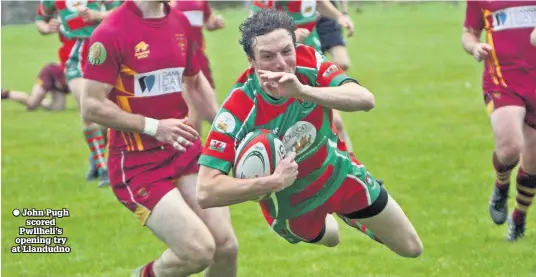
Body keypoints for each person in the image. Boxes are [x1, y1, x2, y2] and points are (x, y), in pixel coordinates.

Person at [197, 9, 422, 259]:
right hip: (292, 208)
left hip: (338, 175)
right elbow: (206, 191)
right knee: (332, 238)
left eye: (286, 51)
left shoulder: (308, 62)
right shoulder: (237, 111)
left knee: (411, 248)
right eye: (268, 56)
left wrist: (302, 92)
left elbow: (365, 99)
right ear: (252, 61)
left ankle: (350, 214)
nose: (281, 63)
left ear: (296, 46)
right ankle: (342, 217)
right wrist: (272, 182)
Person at [81, 1, 237, 277]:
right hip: (138, 165)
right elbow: (92, 106)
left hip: (184, 149)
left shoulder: (180, 21)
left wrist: (228, 132)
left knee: (226, 247)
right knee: (197, 251)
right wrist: (153, 126)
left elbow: (196, 81)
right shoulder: (111, 31)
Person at [462, 0, 536, 241]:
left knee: (533, 162)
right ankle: (501, 185)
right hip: (502, 80)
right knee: (510, 147)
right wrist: (474, 47)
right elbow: (469, 33)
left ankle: (519, 218)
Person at [251, 0, 357, 158]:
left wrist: (339, 16)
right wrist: (290, 35)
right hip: (287, 63)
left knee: (335, 123)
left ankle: (353, 170)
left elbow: (319, 2)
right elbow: (255, 25)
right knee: (291, 128)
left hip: (313, 56)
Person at [35, 0, 121, 186]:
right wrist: (47, 27)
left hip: (103, 51)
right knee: (87, 109)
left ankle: (95, 154)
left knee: (108, 113)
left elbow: (123, 10)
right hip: (73, 55)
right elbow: (40, 20)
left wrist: (98, 16)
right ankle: (104, 168)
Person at [171, 0, 223, 134]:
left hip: (198, 57)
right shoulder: (167, 4)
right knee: (194, 107)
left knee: (205, 106)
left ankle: (216, 141)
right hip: (177, 59)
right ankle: (198, 147)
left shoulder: (201, 2)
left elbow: (208, 22)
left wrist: (215, 23)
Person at [1, 63, 69, 111]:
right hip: (46, 78)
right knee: (32, 104)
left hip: (57, 81)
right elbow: (64, 86)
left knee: (58, 108)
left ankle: (37, 99)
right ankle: (4, 93)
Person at [316, 0, 352, 71]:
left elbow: (320, 2)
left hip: (329, 19)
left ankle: (325, 79)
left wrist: (344, 14)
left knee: (342, 63)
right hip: (305, 22)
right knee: (312, 66)